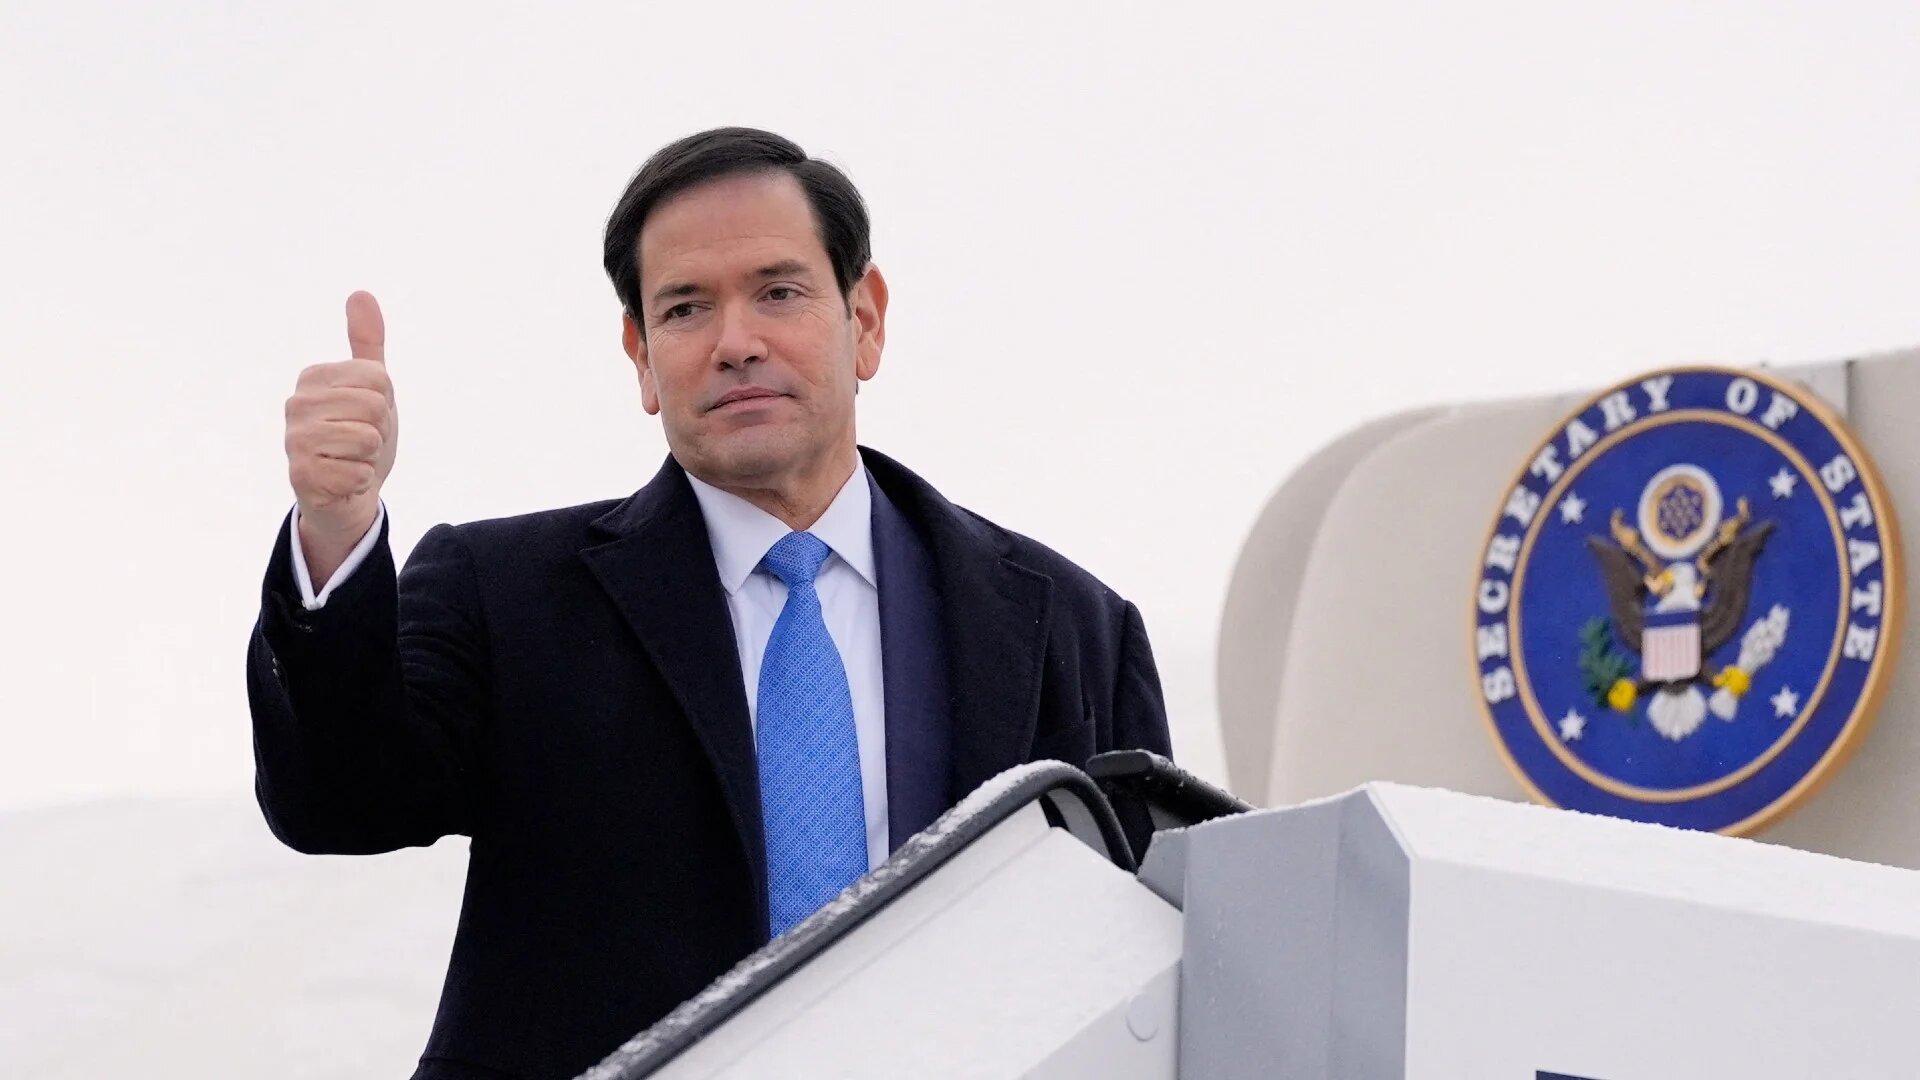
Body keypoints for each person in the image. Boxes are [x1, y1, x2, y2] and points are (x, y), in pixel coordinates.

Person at [247, 126, 1173, 1080]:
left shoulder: (1071, 625)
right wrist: (336, 530)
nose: (737, 343)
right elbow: (338, 801)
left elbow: (1145, 965)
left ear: (867, 318)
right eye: (687, 309)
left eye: (779, 291)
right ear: (641, 358)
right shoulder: (507, 594)